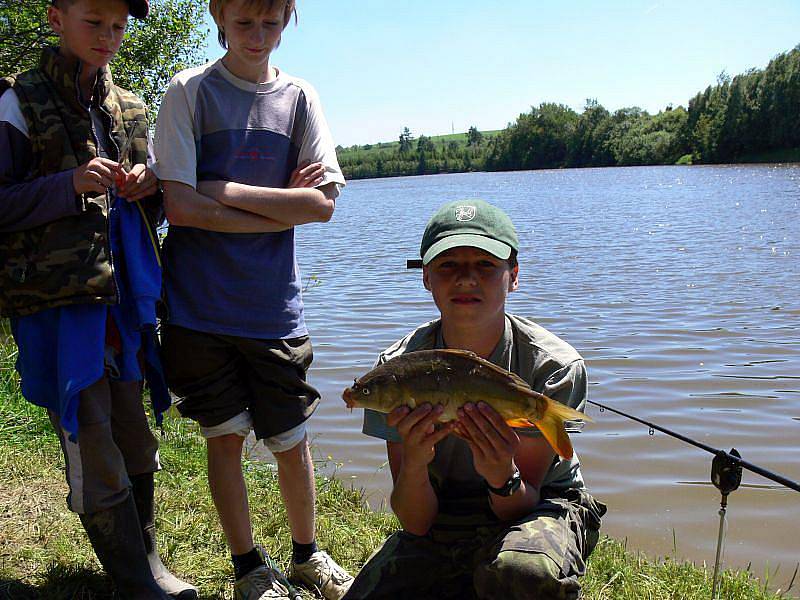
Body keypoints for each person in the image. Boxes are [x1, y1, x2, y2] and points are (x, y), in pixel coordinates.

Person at [152, 1, 352, 598]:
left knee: (292, 439)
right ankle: (247, 568)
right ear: (218, 15)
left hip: (274, 310)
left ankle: (307, 556)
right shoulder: (188, 92)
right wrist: (275, 207)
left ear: (288, 18)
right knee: (225, 439)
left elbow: (323, 205)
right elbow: (180, 209)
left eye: (271, 23)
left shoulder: (301, 100)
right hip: (196, 311)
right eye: (244, 23)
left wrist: (228, 190)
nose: (258, 36)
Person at [0, 0, 197, 598]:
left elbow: (156, 210)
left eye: (118, 25)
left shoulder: (131, 108)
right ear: (57, 20)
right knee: (90, 429)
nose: (109, 36)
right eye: (94, 22)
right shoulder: (18, 102)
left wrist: (148, 188)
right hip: (58, 305)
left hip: (123, 304)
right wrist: (69, 184)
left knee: (134, 429)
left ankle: (150, 556)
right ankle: (135, 578)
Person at [345, 200, 607, 600]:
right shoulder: (395, 371)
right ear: (427, 278)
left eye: (485, 265)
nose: (466, 279)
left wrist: (501, 472)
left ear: (513, 276)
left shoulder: (554, 366)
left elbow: (520, 504)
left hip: (539, 502)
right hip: (444, 511)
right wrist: (415, 460)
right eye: (448, 266)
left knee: (522, 571)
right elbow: (416, 522)